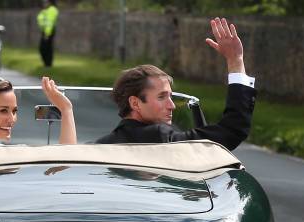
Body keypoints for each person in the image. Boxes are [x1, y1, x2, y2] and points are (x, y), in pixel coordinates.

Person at [95, 17, 256, 151]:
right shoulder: (159, 137)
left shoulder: (101, 146)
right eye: (161, 97)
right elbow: (232, 129)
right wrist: (235, 61)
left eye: (170, 97)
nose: (171, 105)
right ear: (135, 103)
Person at [0, 75, 76, 145]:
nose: (12, 119)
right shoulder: (9, 155)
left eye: (14, 111)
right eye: (3, 111)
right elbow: (66, 160)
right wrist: (66, 110)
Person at [37, 0, 59, 67]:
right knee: (44, 48)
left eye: (46, 2)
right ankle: (46, 64)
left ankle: (48, 64)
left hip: (48, 32)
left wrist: (47, 34)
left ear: (50, 2)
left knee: (46, 48)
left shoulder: (52, 10)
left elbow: (50, 23)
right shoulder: (45, 10)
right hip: (44, 31)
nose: (44, 3)